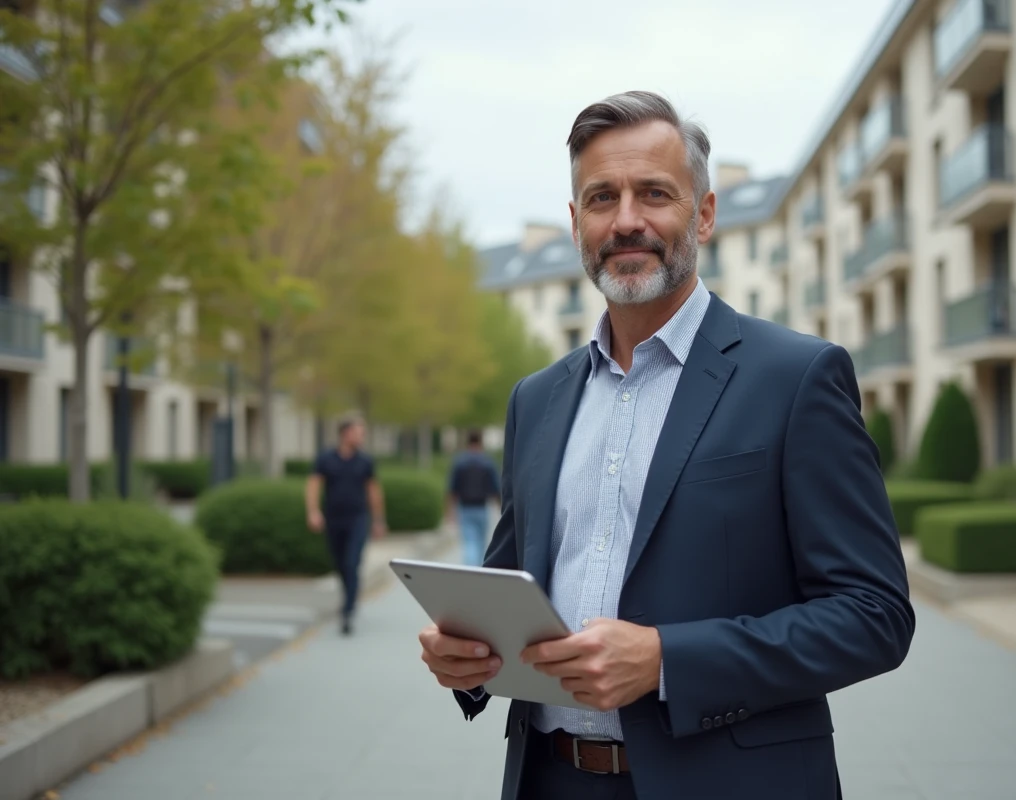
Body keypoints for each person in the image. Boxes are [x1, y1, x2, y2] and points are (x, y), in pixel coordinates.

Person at [417, 91, 915, 800]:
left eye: (654, 193)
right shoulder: (536, 398)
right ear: (574, 223)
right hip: (550, 781)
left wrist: (666, 659)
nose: (626, 221)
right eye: (601, 198)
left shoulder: (797, 377)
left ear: (704, 212)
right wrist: (465, 654)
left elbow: (875, 615)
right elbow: (510, 590)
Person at [306, 416, 387, 636]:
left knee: (352, 563)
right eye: (358, 432)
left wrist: (378, 520)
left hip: (358, 519)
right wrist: (313, 512)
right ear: (345, 433)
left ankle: (348, 610)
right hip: (333, 519)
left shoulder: (365, 461)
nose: (362, 436)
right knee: (340, 563)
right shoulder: (325, 459)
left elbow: (373, 490)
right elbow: (314, 485)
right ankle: (347, 597)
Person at [445, 429, 501, 566]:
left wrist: (450, 512)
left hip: (465, 508)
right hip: (482, 507)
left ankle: (470, 568)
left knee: (469, 542)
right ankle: (480, 569)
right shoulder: (487, 462)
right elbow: (496, 488)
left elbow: (452, 489)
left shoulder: (459, 462)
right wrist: (501, 507)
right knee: (481, 543)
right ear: (481, 442)